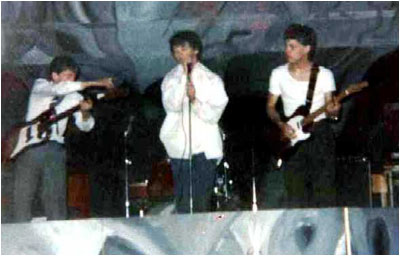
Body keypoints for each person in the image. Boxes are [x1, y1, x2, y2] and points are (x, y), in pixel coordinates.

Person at [12, 56, 113, 222]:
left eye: (73, 76)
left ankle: (57, 234)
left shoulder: (75, 97)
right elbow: (60, 90)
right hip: (29, 149)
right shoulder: (41, 85)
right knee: (23, 197)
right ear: (55, 76)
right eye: (67, 76)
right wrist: (95, 83)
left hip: (55, 149)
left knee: (55, 198)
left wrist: (86, 112)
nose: (71, 80)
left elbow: (86, 126)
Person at [266, 24, 341, 208]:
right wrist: (281, 124)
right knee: (295, 192)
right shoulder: (278, 74)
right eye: (286, 46)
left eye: (292, 46)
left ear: (307, 49)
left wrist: (334, 111)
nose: (287, 51)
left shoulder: (324, 75)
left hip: (320, 135)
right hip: (292, 137)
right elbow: (270, 107)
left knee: (324, 191)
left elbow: (332, 110)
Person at [159, 30, 229, 213]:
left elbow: (214, 114)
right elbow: (171, 106)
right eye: (175, 51)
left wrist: (195, 101)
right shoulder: (170, 78)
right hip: (179, 147)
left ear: (195, 50)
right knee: (182, 199)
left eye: (183, 48)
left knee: (201, 200)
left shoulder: (212, 79)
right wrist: (183, 79)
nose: (179, 54)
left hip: (204, 148)